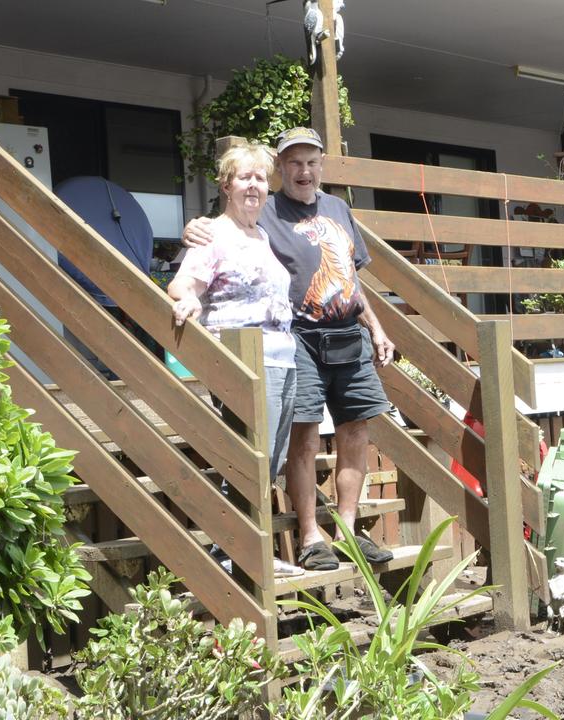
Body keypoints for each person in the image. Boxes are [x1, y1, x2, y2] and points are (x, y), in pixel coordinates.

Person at [183, 127, 395, 572]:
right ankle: (310, 537)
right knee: (304, 433)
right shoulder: (266, 209)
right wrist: (195, 226)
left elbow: (352, 281)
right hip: (297, 337)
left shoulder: (338, 208)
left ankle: (348, 531)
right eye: (294, 163)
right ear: (280, 168)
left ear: (322, 166)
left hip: (348, 336)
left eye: (312, 162)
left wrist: (376, 328)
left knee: (356, 432)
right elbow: (225, 228)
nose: (304, 171)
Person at [168, 142, 303, 577]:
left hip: (282, 357)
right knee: (247, 457)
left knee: (270, 460)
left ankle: (246, 549)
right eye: (244, 177)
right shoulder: (214, 234)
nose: (254, 185)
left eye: (261, 178)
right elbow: (184, 284)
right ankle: (233, 553)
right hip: (243, 361)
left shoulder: (261, 234)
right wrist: (187, 301)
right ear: (226, 185)